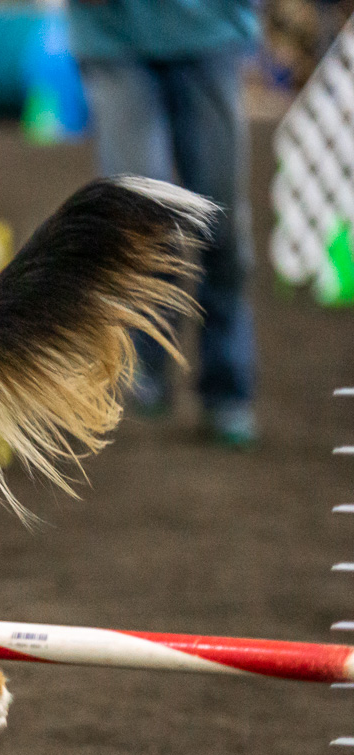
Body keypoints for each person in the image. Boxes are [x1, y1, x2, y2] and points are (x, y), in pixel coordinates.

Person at [68, 0, 260, 447]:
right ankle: (145, 364)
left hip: (209, 27)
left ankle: (227, 387)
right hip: (112, 34)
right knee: (142, 217)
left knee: (221, 221)